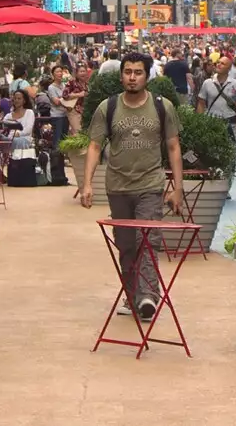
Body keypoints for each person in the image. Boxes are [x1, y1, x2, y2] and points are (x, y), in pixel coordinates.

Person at [81, 50, 187, 323]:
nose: (132, 77)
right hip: (118, 187)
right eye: (128, 72)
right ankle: (132, 296)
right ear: (121, 75)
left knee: (148, 241)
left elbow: (174, 147)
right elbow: (94, 146)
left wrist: (177, 188)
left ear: (147, 76)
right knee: (127, 246)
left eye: (138, 72)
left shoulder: (163, 106)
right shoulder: (109, 107)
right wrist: (87, 184)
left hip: (150, 185)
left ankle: (148, 296)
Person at [196, 56, 236, 140]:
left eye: (222, 64)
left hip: (230, 121)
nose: (218, 65)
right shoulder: (207, 83)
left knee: (231, 148)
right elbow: (201, 103)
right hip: (211, 120)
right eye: (218, 62)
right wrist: (199, 122)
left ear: (229, 68)